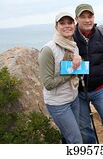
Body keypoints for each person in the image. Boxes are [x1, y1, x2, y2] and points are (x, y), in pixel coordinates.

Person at [73, 3, 103, 144]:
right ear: (76, 19)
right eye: (83, 17)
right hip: (78, 92)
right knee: (85, 128)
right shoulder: (70, 38)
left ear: (94, 17)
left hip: (100, 89)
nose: (87, 20)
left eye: (90, 16)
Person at [38, 12, 83, 144]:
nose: (67, 26)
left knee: (68, 137)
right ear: (56, 26)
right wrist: (71, 71)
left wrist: (80, 62)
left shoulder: (73, 46)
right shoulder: (48, 50)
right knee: (76, 141)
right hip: (58, 103)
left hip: (73, 97)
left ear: (74, 25)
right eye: (62, 23)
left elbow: (74, 69)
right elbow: (48, 83)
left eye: (70, 23)